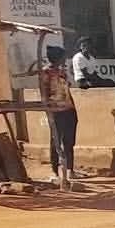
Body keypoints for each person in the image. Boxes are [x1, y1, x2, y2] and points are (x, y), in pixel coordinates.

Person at [37, 43, 79, 190]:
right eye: (63, 57)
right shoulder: (46, 73)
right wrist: (48, 110)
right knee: (56, 140)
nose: (65, 60)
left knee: (69, 140)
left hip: (68, 108)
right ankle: (55, 171)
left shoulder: (62, 72)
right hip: (56, 110)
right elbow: (44, 93)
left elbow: (67, 89)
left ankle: (70, 169)